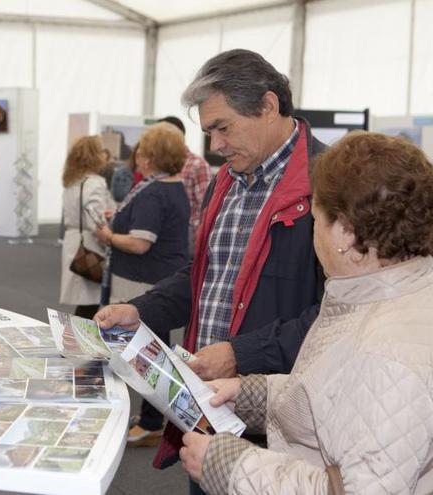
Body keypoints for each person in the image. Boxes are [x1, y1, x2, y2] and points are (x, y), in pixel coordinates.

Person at [179, 131, 433, 495]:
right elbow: (336, 396)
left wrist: (231, 465)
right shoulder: (399, 294)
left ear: (344, 231)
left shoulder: (388, 350)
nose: (314, 233)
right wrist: (250, 395)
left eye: (316, 219)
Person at [93, 49, 327, 481]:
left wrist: (240, 355)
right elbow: (204, 277)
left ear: (268, 107)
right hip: (207, 413)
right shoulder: (226, 181)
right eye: (209, 132)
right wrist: (142, 311)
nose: (215, 146)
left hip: (286, 428)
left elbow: (337, 317)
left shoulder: (328, 183)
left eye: (223, 128)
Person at [96, 122, 191, 446]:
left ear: (152, 156)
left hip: (144, 283)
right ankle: (153, 418)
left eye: (143, 151)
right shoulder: (170, 186)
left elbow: (140, 243)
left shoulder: (156, 191)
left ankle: (152, 421)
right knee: (153, 353)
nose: (137, 157)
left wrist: (108, 236)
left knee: (147, 356)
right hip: (155, 281)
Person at [59, 135, 115, 318]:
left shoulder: (72, 181)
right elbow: (96, 221)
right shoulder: (95, 183)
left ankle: (78, 339)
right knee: (90, 302)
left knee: (85, 302)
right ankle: (81, 341)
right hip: (90, 244)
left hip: (74, 241)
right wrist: (112, 239)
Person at [157, 116, 212, 256]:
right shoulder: (158, 166)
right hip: (160, 241)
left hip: (185, 244)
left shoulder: (197, 165)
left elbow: (204, 209)